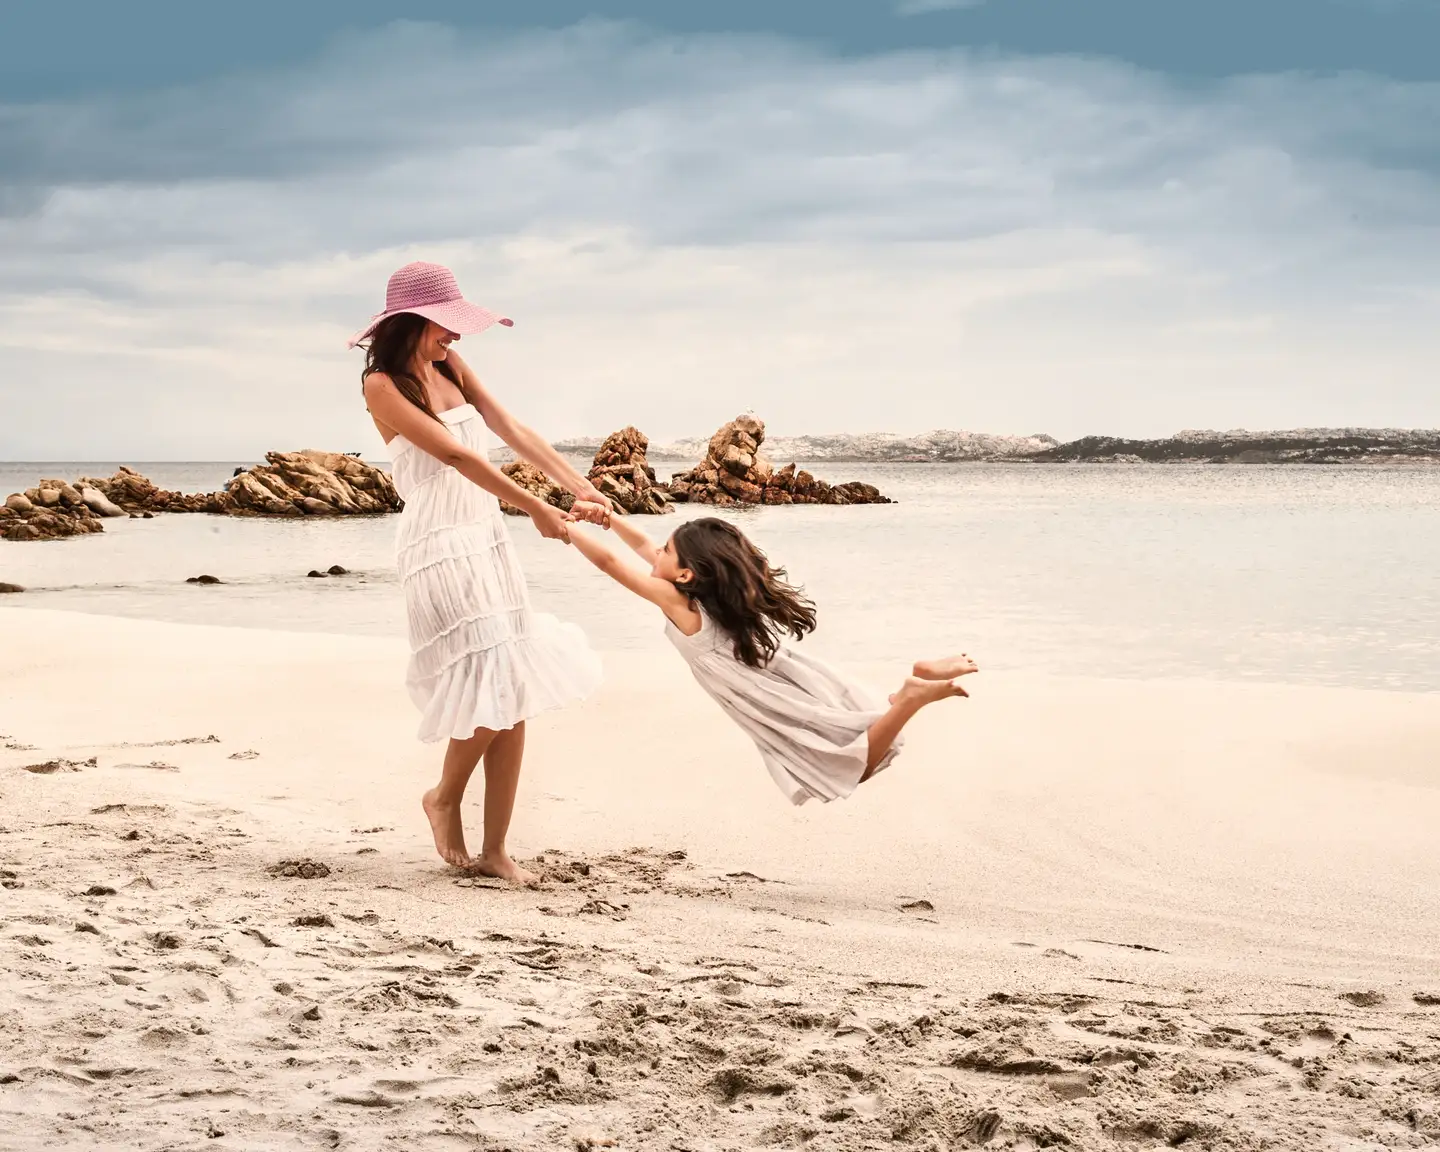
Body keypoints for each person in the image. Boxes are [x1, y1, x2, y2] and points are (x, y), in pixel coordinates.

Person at [351, 261, 611, 880]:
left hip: (485, 537)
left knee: (512, 684)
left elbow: (509, 429)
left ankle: (495, 850)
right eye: (447, 326)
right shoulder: (382, 385)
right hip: (438, 545)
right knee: (491, 676)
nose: (457, 338)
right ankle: (443, 797)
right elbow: (456, 454)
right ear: (412, 321)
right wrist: (540, 509)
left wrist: (582, 487)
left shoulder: (449, 367)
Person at [564, 507, 976, 804]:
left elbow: (610, 563)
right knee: (851, 738)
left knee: (847, 765)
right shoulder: (706, 598)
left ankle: (909, 697)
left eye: (666, 553)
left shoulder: (678, 602)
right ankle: (912, 685)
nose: (656, 554)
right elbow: (639, 545)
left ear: (686, 574)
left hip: (758, 691)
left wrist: (565, 528)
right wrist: (608, 518)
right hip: (775, 670)